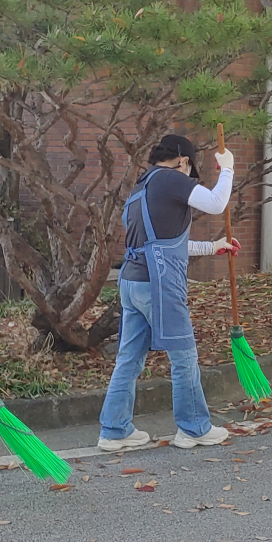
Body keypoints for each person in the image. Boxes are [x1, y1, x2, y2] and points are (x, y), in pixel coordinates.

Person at [98, 134, 239, 452]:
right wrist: (227, 168)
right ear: (184, 162)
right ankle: (194, 428)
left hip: (132, 284)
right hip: (160, 285)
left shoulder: (140, 188)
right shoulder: (170, 178)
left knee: (129, 359)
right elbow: (217, 203)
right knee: (184, 355)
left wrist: (212, 246)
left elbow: (166, 244)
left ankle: (114, 429)